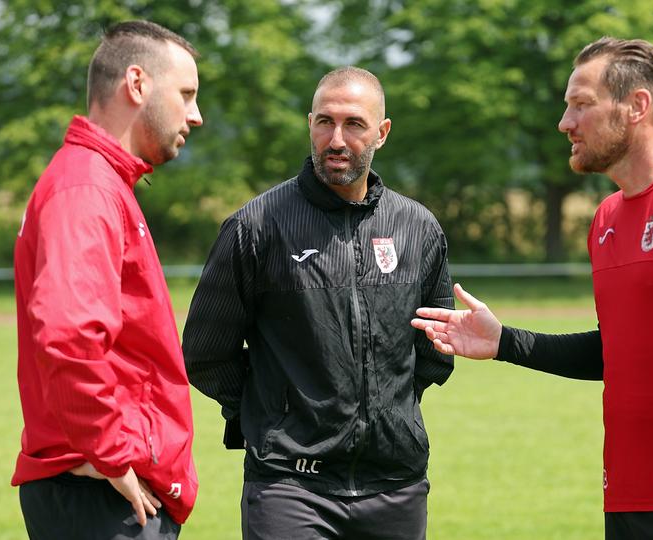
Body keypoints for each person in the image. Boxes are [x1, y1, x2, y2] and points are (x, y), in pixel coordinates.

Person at [411, 37, 653, 540]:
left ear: (636, 106)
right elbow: (616, 351)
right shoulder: (605, 219)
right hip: (625, 500)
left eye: (581, 104)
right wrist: (505, 341)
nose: (564, 122)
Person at [182, 66, 454, 540]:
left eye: (354, 124)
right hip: (290, 488)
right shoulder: (256, 227)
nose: (336, 139)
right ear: (309, 123)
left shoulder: (418, 228)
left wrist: (385, 412)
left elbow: (434, 350)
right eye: (324, 122)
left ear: (382, 133)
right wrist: (273, 413)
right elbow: (206, 353)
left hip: (396, 487)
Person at [12, 20, 203, 539]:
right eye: (185, 94)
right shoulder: (86, 188)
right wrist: (114, 455)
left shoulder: (97, 182)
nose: (196, 115)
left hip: (104, 488)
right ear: (137, 85)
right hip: (103, 493)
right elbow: (69, 335)